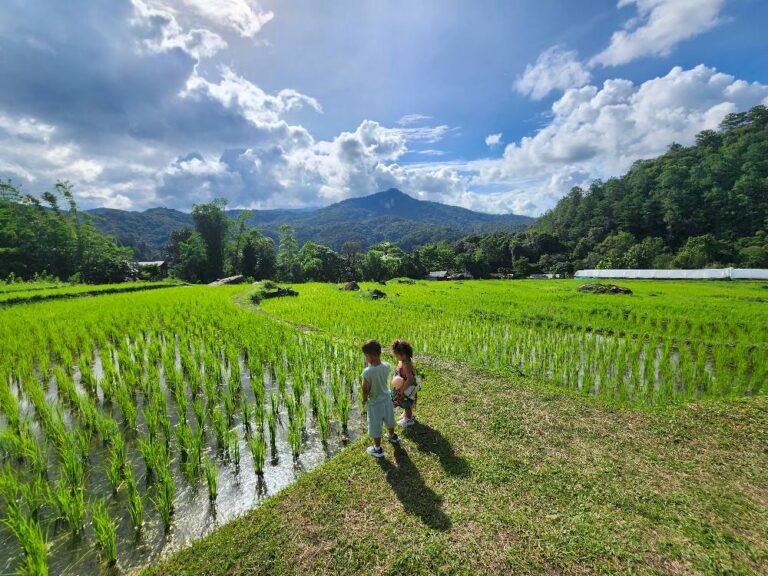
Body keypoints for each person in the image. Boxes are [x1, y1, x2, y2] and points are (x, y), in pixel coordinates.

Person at [361, 339, 399, 458]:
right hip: (386, 399)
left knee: (375, 424)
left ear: (370, 357)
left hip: (375, 403)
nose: (365, 358)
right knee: (389, 418)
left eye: (365, 356)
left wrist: (364, 398)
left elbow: (365, 389)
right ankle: (392, 436)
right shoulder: (386, 365)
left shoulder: (367, 372)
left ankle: (377, 448)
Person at [391, 339, 417, 427]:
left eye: (396, 355)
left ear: (402, 354)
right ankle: (407, 415)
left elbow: (409, 379)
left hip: (406, 388)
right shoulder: (405, 361)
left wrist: (402, 390)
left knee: (407, 403)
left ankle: (409, 419)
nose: (396, 357)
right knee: (405, 402)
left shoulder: (406, 365)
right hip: (404, 386)